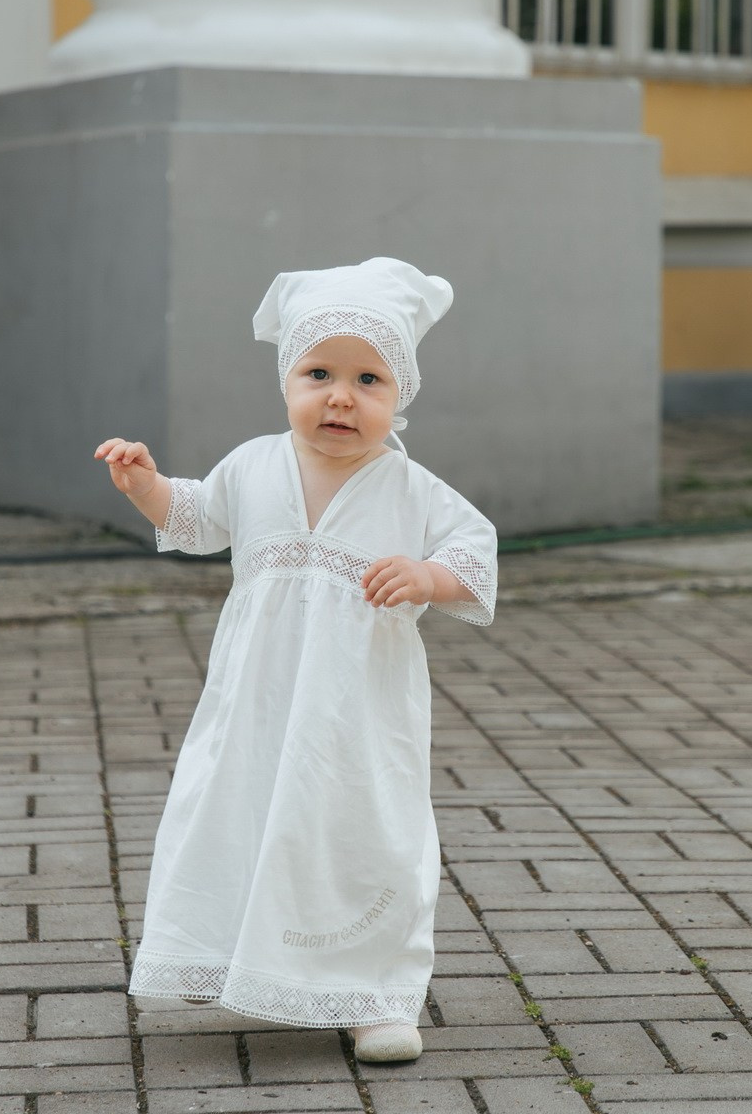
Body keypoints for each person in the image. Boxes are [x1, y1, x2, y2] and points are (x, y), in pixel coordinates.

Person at [94, 257, 497, 1064]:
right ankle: (238, 958)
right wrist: (145, 486)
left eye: (369, 379)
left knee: (356, 827)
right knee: (241, 808)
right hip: (258, 699)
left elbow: (475, 552)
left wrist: (426, 575)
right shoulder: (252, 465)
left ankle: (376, 994)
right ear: (287, 381)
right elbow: (199, 517)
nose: (341, 396)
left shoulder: (409, 488)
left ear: (399, 396)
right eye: (319, 372)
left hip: (357, 710)